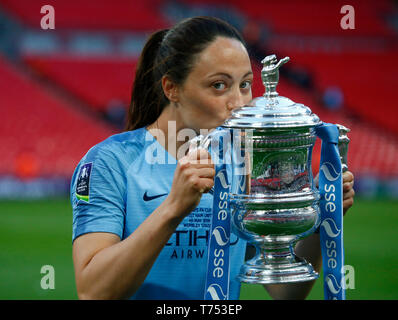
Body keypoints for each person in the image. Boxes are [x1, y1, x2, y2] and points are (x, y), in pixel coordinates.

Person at [71, 16, 355, 300]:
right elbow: (93, 291)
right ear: (171, 88)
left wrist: (322, 220)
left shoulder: (242, 162)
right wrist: (173, 208)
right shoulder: (109, 162)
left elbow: (285, 293)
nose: (239, 103)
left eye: (245, 84)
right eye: (219, 86)